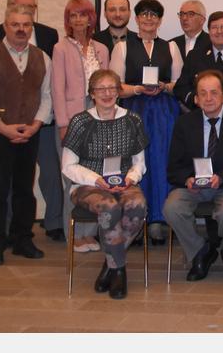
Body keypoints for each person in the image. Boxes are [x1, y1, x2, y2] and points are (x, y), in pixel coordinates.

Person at [0, 0, 63, 243]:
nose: (21, 29)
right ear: (6, 25)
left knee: (24, 189)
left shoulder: (43, 56)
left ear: (31, 26)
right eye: (16, 23)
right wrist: (0, 126)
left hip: (31, 131)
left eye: (26, 23)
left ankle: (22, 239)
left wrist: (36, 124)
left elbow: (47, 95)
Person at [164, 70, 223, 282]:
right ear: (196, 99)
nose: (209, 98)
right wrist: (187, 178)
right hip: (194, 186)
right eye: (203, 94)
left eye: (214, 93)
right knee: (172, 208)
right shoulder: (184, 123)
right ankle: (201, 251)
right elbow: (174, 165)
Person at [60, 69, 148, 299]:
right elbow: (68, 166)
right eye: (101, 89)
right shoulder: (80, 122)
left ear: (119, 92)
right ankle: (118, 271)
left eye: (112, 88)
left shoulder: (133, 120)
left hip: (124, 183)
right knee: (110, 206)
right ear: (92, 93)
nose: (107, 93)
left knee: (138, 205)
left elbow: (139, 163)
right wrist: (95, 179)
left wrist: (130, 178)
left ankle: (110, 263)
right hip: (87, 186)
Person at [109, 0, 184, 244]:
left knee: (161, 161)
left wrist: (164, 86)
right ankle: (135, 220)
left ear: (160, 20)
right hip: (134, 110)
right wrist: (138, 89)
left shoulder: (171, 47)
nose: (149, 19)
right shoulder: (122, 47)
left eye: (154, 15)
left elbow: (179, 84)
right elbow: (116, 86)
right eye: (144, 14)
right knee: (135, 163)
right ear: (137, 18)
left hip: (164, 112)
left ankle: (159, 220)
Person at [51, 0, 110, 252]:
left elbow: (108, 86)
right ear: (68, 20)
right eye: (73, 15)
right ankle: (73, 234)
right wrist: (64, 124)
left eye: (82, 15)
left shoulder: (101, 49)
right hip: (72, 118)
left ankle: (90, 235)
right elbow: (56, 89)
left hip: (98, 117)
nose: (78, 20)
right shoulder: (61, 48)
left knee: (95, 176)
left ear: (90, 19)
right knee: (72, 178)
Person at [174, 11, 223, 110]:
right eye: (214, 27)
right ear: (209, 31)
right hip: (200, 116)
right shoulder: (194, 56)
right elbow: (181, 88)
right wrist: (195, 98)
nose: (219, 31)